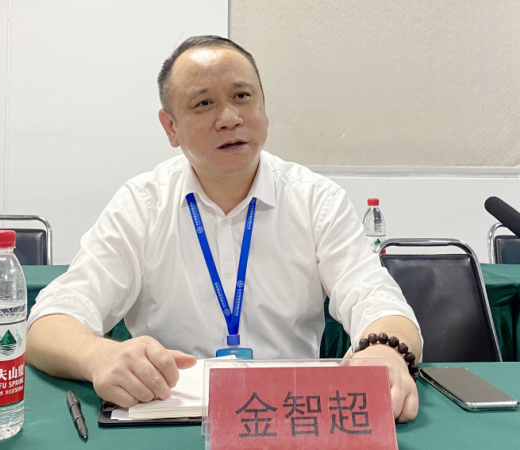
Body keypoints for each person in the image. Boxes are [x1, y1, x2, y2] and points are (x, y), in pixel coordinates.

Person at [26, 35, 422, 422]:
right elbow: (50, 321)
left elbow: (377, 299)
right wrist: (99, 355)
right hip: (171, 415)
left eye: (242, 96)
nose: (230, 118)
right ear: (170, 127)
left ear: (264, 107)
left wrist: (384, 350)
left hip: (290, 416)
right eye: (203, 103)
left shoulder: (316, 200)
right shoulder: (142, 204)